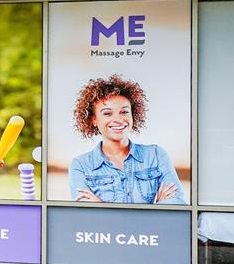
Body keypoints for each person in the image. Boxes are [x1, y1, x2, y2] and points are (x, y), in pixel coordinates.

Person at [69, 73, 180, 204]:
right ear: (93, 120)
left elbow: (176, 204)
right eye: (107, 113)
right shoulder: (81, 165)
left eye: (124, 112)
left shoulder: (156, 155)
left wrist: (102, 206)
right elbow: (88, 217)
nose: (118, 119)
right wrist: (156, 209)